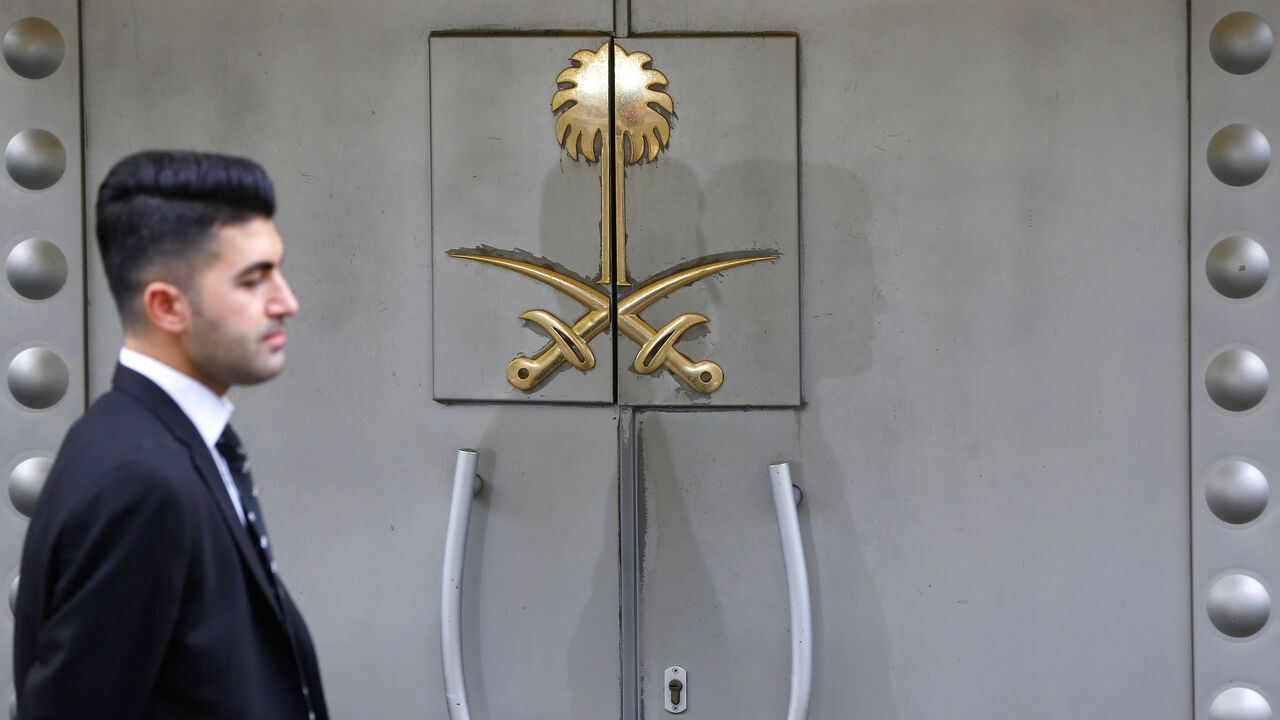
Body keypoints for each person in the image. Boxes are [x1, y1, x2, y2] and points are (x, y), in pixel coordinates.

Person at [13, 150, 328, 720]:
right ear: (166, 307)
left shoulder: (146, 440)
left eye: (278, 271)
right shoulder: (140, 482)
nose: (288, 302)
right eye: (254, 280)